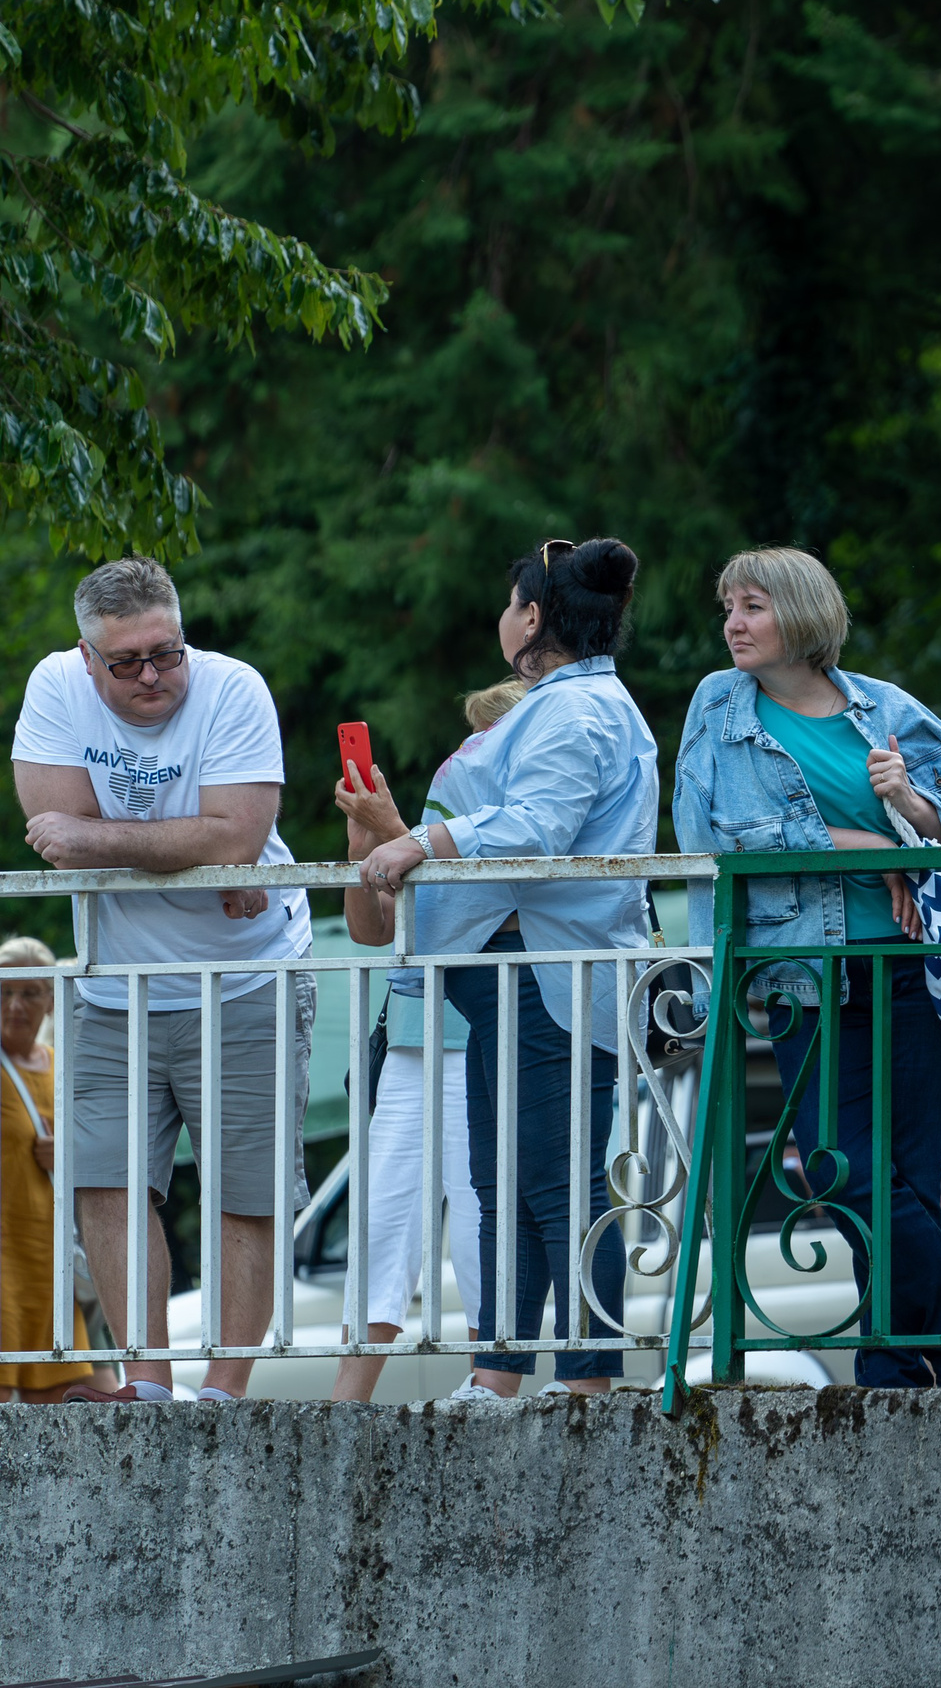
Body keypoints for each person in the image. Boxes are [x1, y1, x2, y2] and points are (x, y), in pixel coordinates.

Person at [672, 545, 941, 1388]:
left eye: (753, 606)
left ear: (800, 614)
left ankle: (892, 1369)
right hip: (804, 976)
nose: (733, 622)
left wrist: (911, 808)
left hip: (911, 969)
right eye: (729, 606)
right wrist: (871, 847)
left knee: (907, 1177)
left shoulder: (888, 710)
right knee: (839, 1170)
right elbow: (716, 842)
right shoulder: (717, 709)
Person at [11, 557, 316, 1404]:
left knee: (244, 1191)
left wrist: (115, 836)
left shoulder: (235, 690)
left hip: (247, 971)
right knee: (105, 1183)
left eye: (167, 652)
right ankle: (146, 1385)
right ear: (84, 657)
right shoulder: (52, 688)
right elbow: (50, 824)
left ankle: (223, 1392)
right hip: (116, 984)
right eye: (127, 663)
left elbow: (235, 837)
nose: (153, 675)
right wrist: (201, 843)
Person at [359, 539, 655, 1399]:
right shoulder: (576, 703)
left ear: (531, 617)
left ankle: (588, 1379)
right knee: (506, 1183)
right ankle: (500, 1369)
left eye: (508, 603)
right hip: (524, 972)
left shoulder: (571, 710)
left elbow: (538, 827)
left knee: (552, 1180)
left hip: (547, 972)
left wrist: (424, 840)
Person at [329, 677, 522, 1401]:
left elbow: (475, 902)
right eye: (468, 737)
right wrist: (365, 849)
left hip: (487, 1027)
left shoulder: (522, 808)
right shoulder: (450, 799)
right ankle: (347, 1403)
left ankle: (491, 1386)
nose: (469, 749)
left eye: (484, 737)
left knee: (483, 1215)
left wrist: (398, 828)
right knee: (384, 1215)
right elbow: (370, 931)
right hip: (415, 1032)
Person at [0, 936, 98, 1402]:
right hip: (3, 1259)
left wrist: (70, 1155)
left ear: (52, 1000)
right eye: (4, 991)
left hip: (49, 1260)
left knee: (75, 1404)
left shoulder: (63, 1068)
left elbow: (106, 1155)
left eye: (31, 992)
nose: (16, 1005)